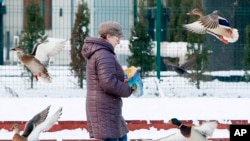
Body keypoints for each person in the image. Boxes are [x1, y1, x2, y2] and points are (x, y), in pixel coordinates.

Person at [81, 21, 133, 141]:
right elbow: (108, 83)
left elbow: (106, 78)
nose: (119, 41)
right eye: (117, 37)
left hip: (106, 107)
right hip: (104, 108)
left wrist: (124, 78)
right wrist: (128, 89)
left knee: (122, 137)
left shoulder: (102, 52)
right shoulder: (104, 54)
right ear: (108, 36)